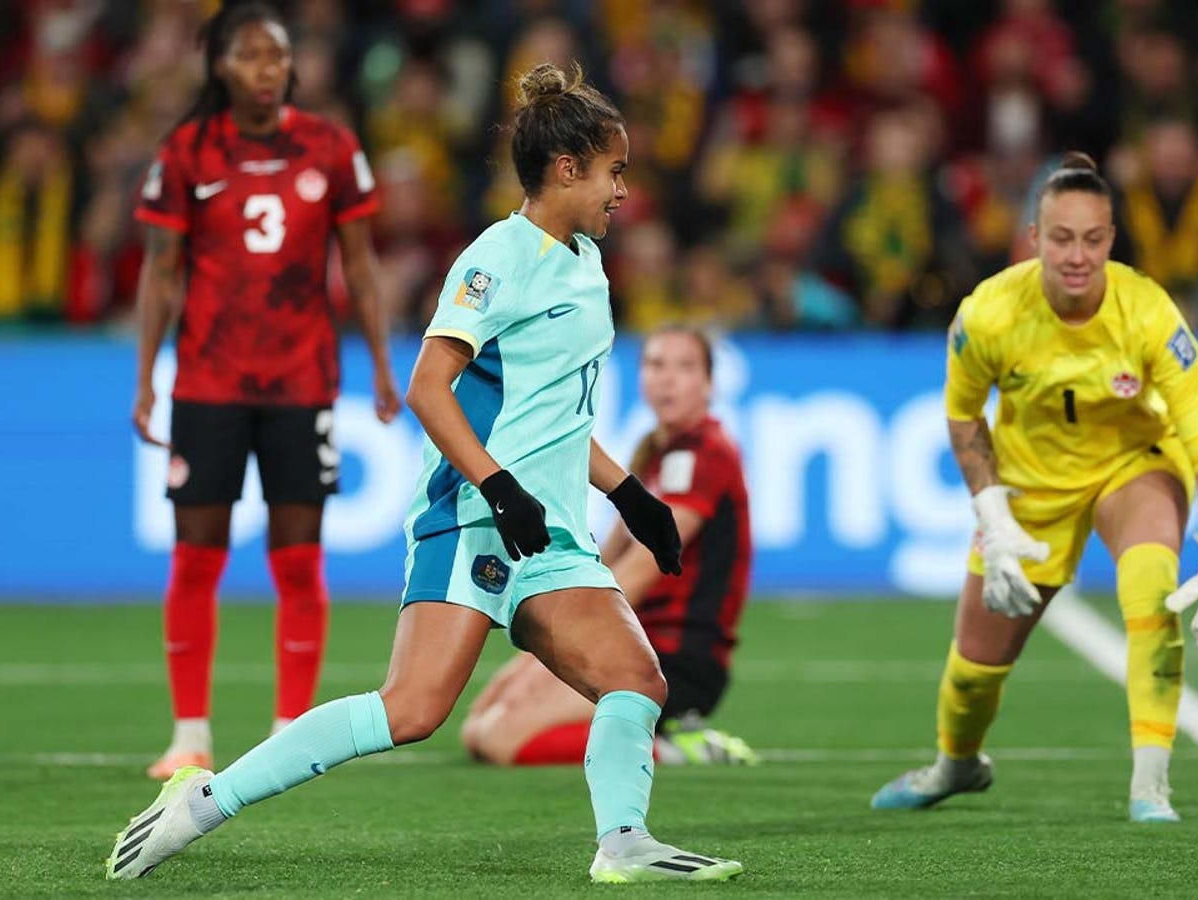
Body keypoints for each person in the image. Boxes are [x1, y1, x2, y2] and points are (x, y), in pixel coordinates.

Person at [107, 62, 744, 884]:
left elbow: (553, 415)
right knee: (409, 711)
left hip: (549, 534)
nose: (623, 190)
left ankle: (624, 843)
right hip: (477, 519)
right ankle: (201, 802)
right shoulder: (497, 259)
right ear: (567, 168)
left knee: (636, 678)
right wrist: (498, 487)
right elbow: (427, 387)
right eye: (614, 171)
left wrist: (627, 492)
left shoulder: (587, 261)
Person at [869, 152, 1198, 823]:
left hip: (1132, 464)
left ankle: (1150, 785)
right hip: (1026, 487)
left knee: (1151, 592)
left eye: (1093, 240)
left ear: (1111, 241)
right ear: (1035, 238)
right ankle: (956, 765)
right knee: (975, 668)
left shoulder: (1150, 314)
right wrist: (992, 515)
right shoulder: (988, 316)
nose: (1078, 256)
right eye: (1062, 239)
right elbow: (963, 421)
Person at [131, 3, 400, 781]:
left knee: (298, 560)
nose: (267, 69)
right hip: (210, 384)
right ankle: (190, 733)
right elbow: (160, 272)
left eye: (277, 56)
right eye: (251, 56)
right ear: (220, 64)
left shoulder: (332, 147)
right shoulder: (187, 151)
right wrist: (148, 375)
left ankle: (292, 730)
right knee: (195, 557)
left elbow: (362, 265)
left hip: (301, 382)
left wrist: (382, 362)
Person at [459, 325, 756, 767]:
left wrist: (568, 639)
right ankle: (642, 732)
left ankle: (675, 749)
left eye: (685, 367)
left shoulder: (704, 454)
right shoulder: (655, 452)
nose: (667, 378)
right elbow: (608, 558)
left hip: (673, 659)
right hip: (629, 639)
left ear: (709, 384)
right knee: (477, 726)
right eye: (656, 364)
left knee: (500, 738)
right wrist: (542, 654)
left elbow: (637, 572)